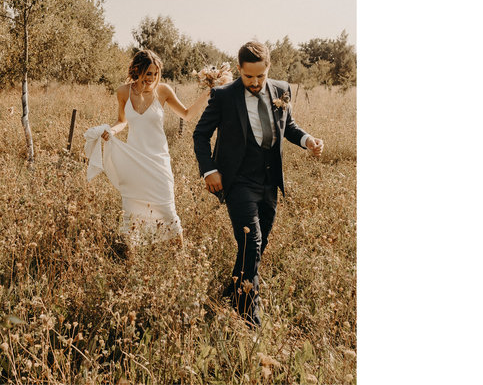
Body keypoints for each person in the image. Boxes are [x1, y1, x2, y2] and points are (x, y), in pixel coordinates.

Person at [192, 41, 324, 327]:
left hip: (269, 180)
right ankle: (249, 318)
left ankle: (233, 290)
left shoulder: (281, 89)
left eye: (260, 76)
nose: (254, 82)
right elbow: (200, 135)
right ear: (239, 69)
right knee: (251, 241)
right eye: (248, 76)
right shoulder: (224, 96)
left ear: (268, 69)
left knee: (257, 246)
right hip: (237, 180)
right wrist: (209, 170)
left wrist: (307, 140)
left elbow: (287, 126)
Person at [89, 49, 210, 250]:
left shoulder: (163, 91)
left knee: (168, 209)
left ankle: (180, 257)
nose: (152, 78)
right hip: (134, 159)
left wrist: (206, 94)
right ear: (137, 70)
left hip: (158, 160)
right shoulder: (122, 92)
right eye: (148, 73)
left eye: (155, 73)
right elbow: (122, 122)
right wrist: (110, 131)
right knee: (131, 210)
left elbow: (187, 114)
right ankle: (131, 262)